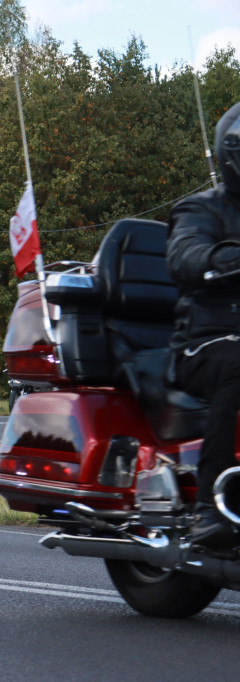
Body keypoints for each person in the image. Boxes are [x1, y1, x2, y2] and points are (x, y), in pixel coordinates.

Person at [166, 100, 240, 549]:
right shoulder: (198, 209)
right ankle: (209, 509)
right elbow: (185, 256)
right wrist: (225, 259)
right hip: (203, 343)